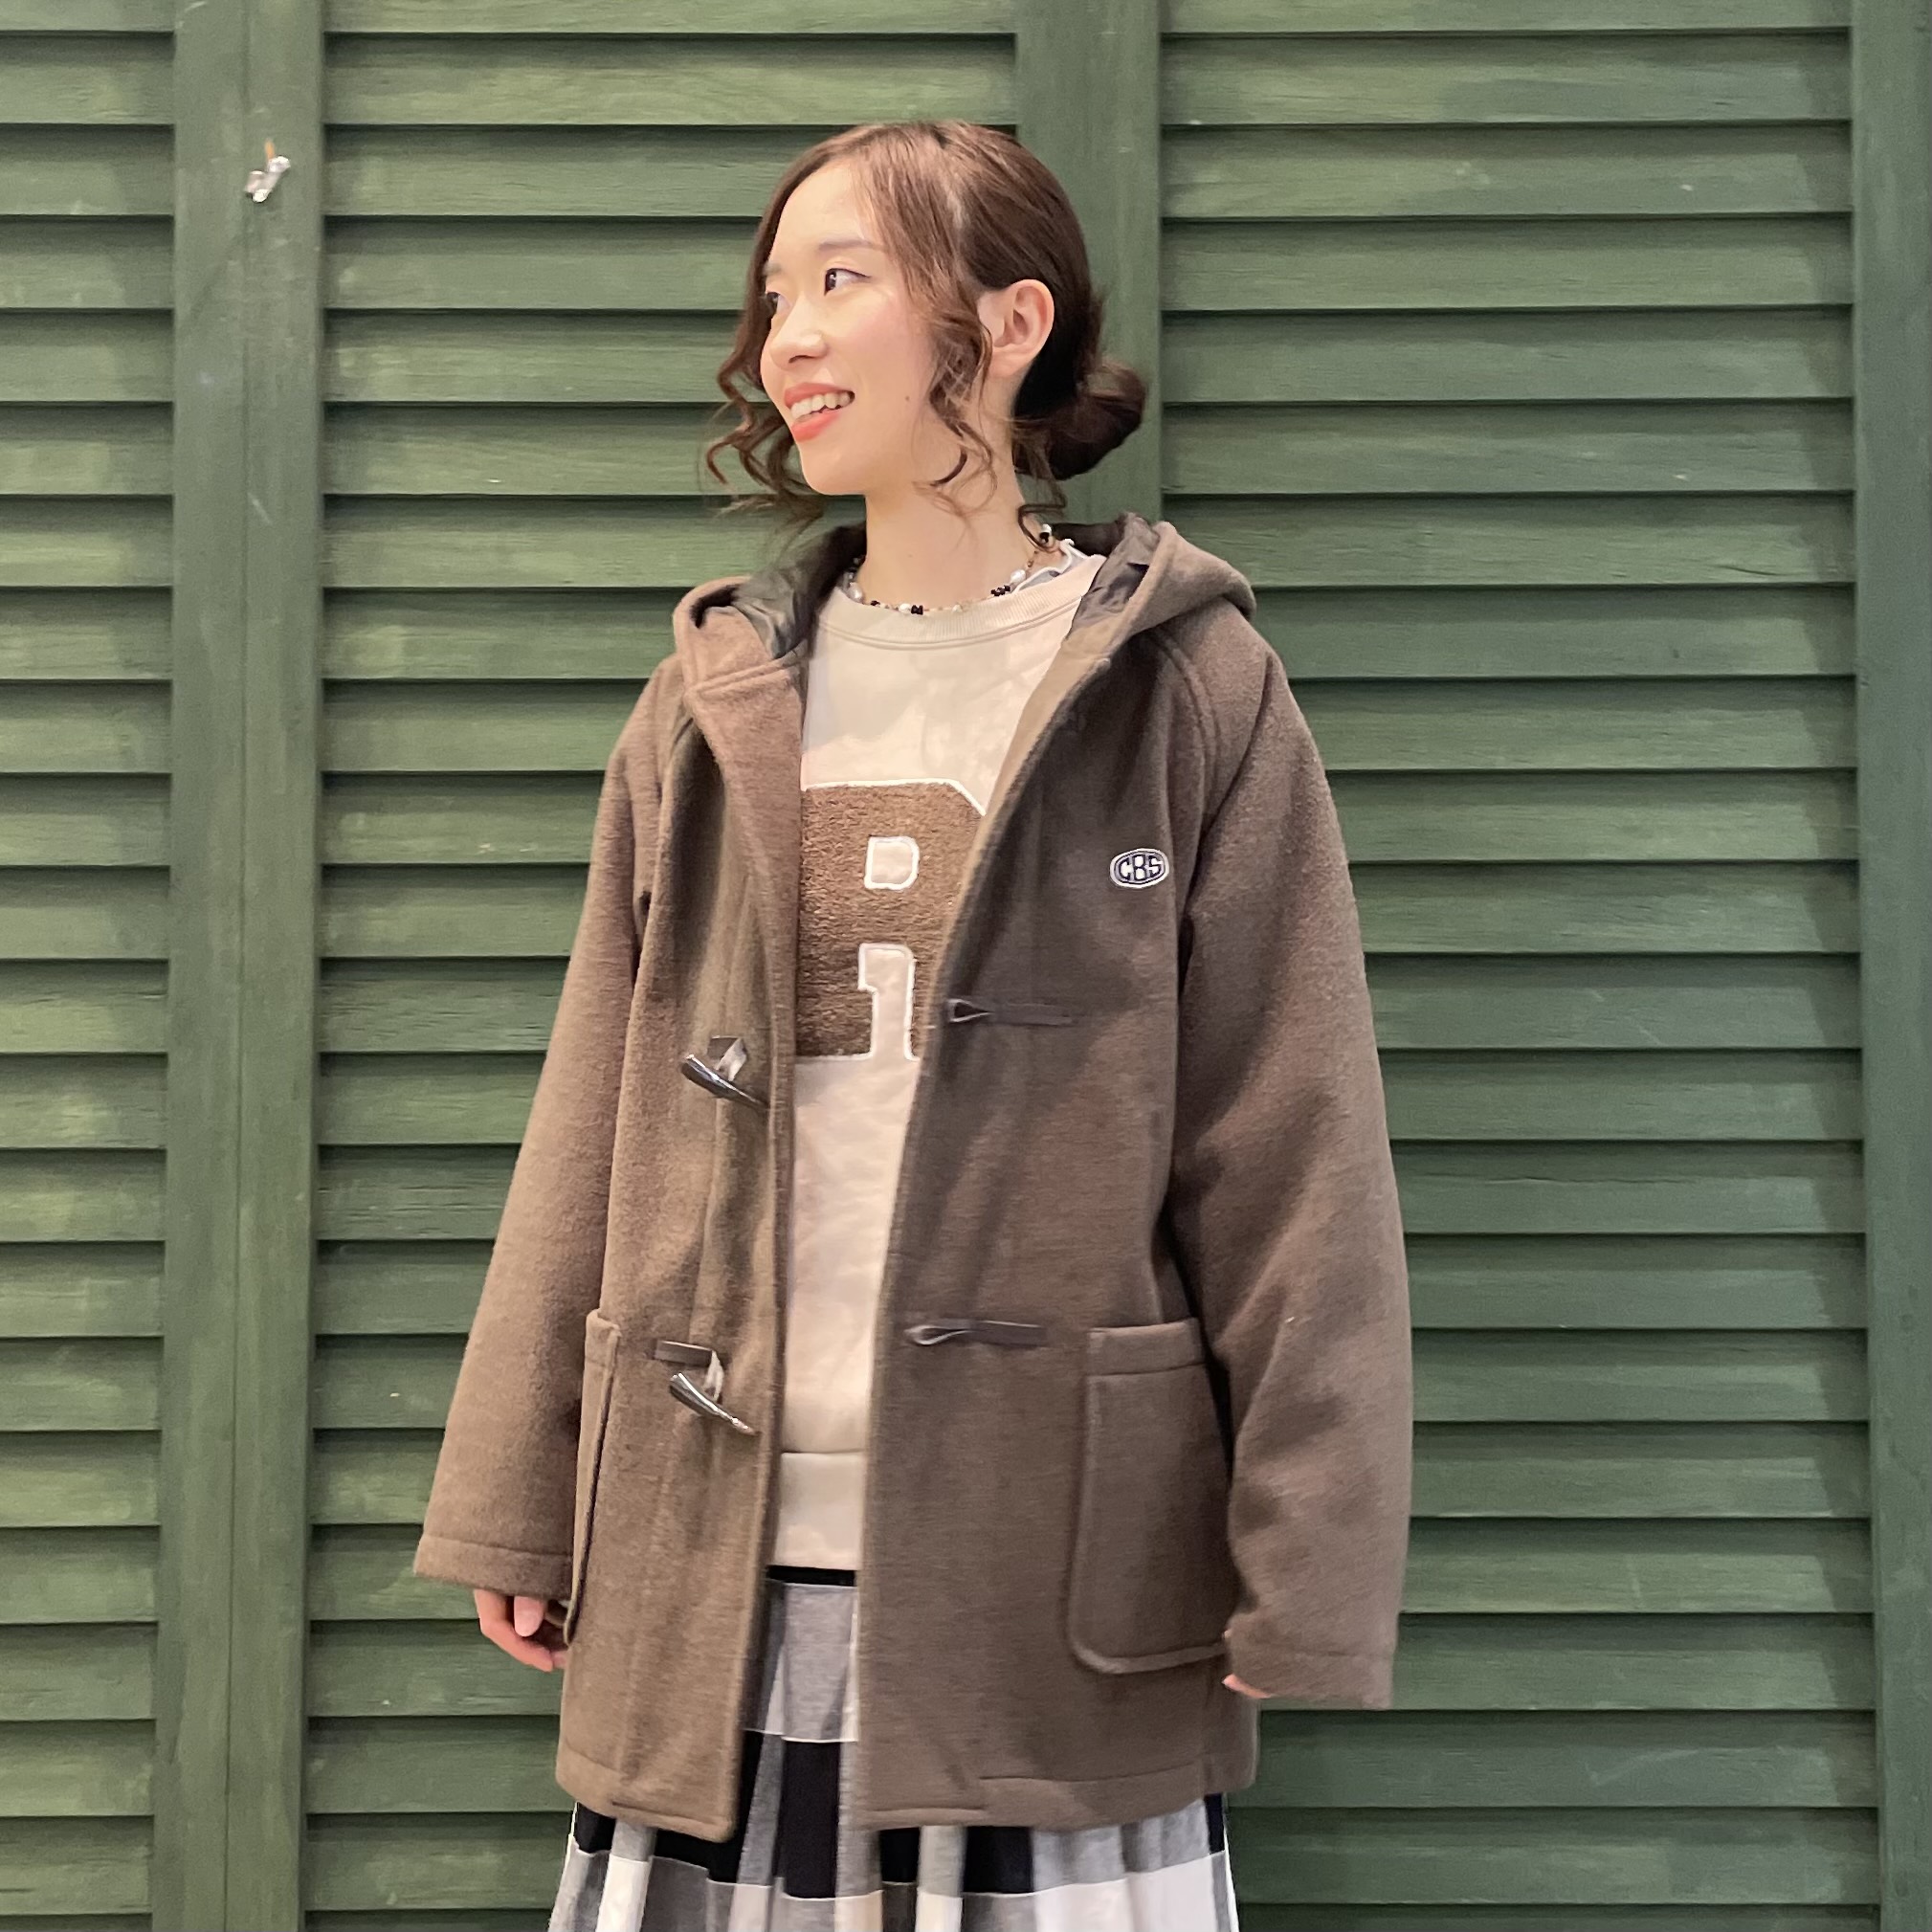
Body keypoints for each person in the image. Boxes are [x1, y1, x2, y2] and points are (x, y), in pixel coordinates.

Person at [411, 119, 1412, 1931]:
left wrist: (1313, 1555)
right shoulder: (711, 698)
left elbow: (1293, 1143)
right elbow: (597, 1106)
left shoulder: (1188, 685)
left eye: (841, 279)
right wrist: (516, 1488)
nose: (784, 337)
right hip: (710, 1555)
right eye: (774, 294)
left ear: (1009, 323)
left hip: (1052, 1562)